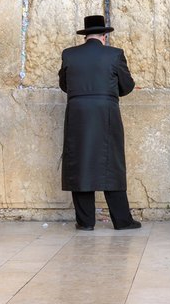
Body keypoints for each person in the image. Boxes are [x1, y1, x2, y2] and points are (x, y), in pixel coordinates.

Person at [58, 15, 140, 231]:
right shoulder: (115, 55)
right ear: (104, 36)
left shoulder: (69, 54)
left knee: (81, 162)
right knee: (111, 164)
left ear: (86, 36)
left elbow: (64, 84)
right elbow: (127, 86)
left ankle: (85, 222)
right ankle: (122, 221)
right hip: (106, 113)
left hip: (78, 113)